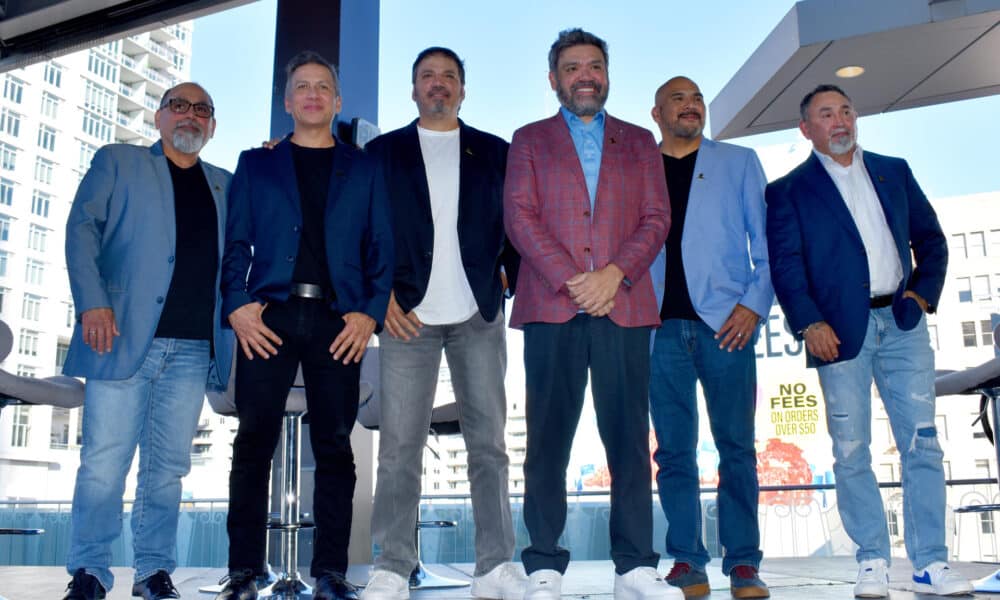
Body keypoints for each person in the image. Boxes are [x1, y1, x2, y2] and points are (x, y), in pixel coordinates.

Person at [765, 83, 973, 598]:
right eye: (825, 114)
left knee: (923, 444)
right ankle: (872, 560)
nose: (839, 121)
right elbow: (786, 267)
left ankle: (930, 564)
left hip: (903, 324)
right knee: (852, 449)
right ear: (806, 129)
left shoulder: (894, 170)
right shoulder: (787, 191)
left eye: (845, 110)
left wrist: (921, 298)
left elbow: (931, 241)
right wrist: (809, 323)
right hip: (837, 336)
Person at [504, 28, 677, 600]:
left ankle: (633, 566)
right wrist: (574, 281)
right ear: (553, 79)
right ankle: (544, 563)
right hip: (552, 304)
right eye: (573, 66)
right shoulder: (527, 140)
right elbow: (520, 218)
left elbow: (656, 219)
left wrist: (614, 275)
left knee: (628, 440)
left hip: (624, 304)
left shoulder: (641, 142)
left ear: (607, 75)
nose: (585, 75)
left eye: (595, 66)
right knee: (547, 441)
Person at [216, 51, 393, 600]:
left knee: (336, 447)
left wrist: (368, 312)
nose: (313, 95)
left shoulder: (364, 169)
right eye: (302, 87)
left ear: (337, 102)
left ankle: (330, 573)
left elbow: (381, 247)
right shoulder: (256, 164)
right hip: (267, 316)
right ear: (288, 101)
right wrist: (237, 304)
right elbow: (236, 245)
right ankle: (246, 569)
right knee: (252, 444)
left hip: (339, 321)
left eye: (323, 87)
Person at [359, 46, 524, 600]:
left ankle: (495, 565)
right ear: (412, 89)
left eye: (448, 77)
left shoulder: (496, 152)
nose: (438, 85)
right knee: (399, 448)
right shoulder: (381, 153)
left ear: (462, 88)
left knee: (490, 446)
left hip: (478, 313)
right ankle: (391, 566)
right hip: (406, 316)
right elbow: (359, 231)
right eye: (427, 77)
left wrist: (510, 273)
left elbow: (521, 222)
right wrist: (375, 298)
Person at [62, 82, 234, 600]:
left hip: (192, 350)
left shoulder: (225, 184)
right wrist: (93, 301)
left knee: (167, 470)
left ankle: (153, 571)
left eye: (202, 110)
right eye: (179, 106)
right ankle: (89, 571)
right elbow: (81, 230)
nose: (191, 116)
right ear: (159, 118)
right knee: (104, 463)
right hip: (117, 335)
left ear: (212, 126)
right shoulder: (118, 161)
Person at [647, 76, 772, 599]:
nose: (690, 105)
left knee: (736, 448)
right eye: (677, 98)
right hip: (656, 329)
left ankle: (743, 563)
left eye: (696, 97)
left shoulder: (739, 162)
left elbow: (768, 244)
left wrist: (753, 306)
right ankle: (687, 561)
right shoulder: (636, 167)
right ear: (656, 113)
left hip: (727, 325)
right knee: (673, 454)